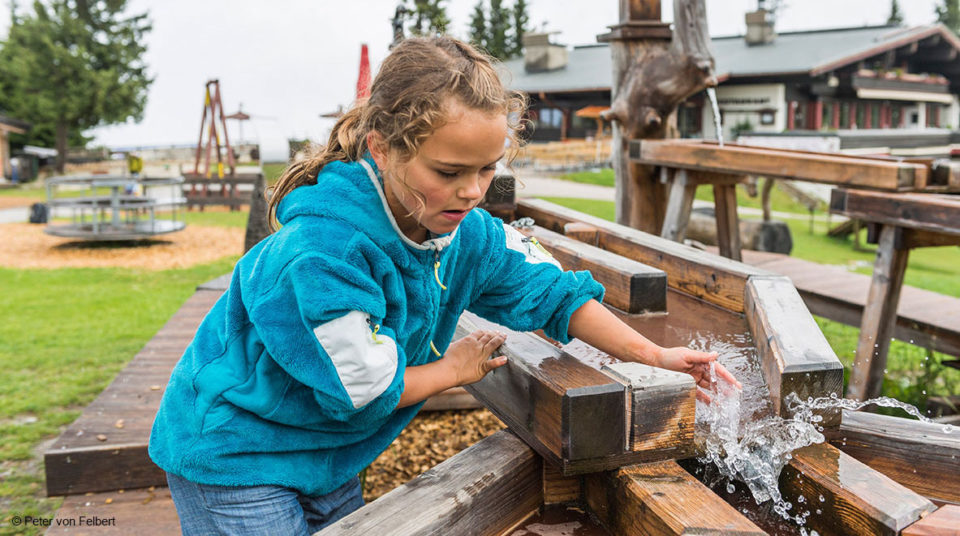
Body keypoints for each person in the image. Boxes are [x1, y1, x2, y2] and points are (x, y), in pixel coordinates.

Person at [149, 36, 739, 535]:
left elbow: (552, 292)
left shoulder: (466, 235)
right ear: (383, 149)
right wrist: (454, 370)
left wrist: (654, 354)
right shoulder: (326, 255)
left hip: (325, 452)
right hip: (237, 452)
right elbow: (362, 388)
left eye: (488, 170)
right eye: (449, 173)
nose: (472, 192)